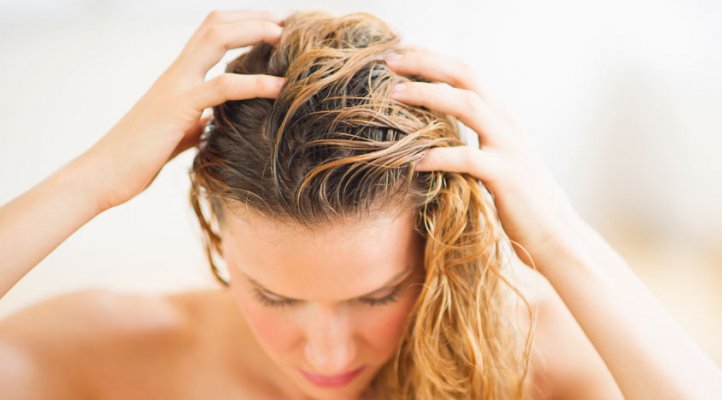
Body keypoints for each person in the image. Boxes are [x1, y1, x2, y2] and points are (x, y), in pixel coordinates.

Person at [0, 8, 720, 400]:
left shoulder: (536, 355)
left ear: (433, 243)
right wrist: (91, 181)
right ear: (218, 235)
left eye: (377, 295)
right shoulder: (119, 353)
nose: (328, 353)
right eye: (276, 297)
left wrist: (562, 240)